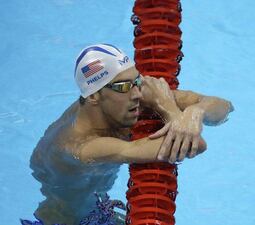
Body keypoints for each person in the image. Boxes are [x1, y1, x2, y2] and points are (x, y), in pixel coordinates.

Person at [29, 44, 234, 224]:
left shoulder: (115, 100)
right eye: (124, 86)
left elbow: (224, 106)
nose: (137, 93)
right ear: (94, 96)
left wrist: (196, 112)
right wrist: (169, 109)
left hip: (98, 210)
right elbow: (196, 144)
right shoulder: (82, 147)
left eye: (137, 81)